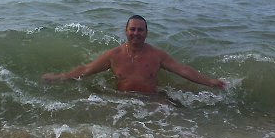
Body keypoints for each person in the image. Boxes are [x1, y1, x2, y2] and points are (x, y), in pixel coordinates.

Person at [42, 15, 226, 94]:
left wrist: (209, 82)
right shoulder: (114, 55)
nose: (136, 33)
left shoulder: (157, 55)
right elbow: (87, 69)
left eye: (140, 30)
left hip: (152, 101)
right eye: (132, 29)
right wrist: (60, 77)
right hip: (122, 103)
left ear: (146, 32)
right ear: (126, 31)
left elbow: (182, 70)